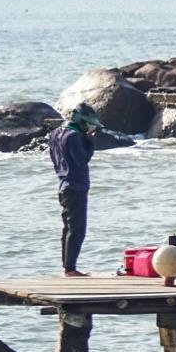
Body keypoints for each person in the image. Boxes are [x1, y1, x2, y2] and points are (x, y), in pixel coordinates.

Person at [48, 104, 100, 277]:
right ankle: (70, 269)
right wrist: (90, 142)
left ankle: (67, 267)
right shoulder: (73, 136)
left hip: (63, 185)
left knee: (68, 228)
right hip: (76, 186)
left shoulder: (55, 133)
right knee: (78, 229)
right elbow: (82, 159)